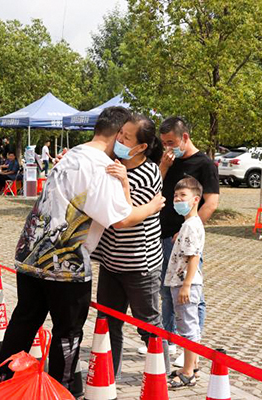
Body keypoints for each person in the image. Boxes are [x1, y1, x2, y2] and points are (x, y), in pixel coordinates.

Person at [0, 107, 165, 393]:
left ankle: (4, 383)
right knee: (68, 332)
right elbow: (121, 219)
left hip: (30, 253)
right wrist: (153, 206)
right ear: (117, 134)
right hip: (65, 264)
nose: (124, 141)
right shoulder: (102, 167)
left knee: (24, 319)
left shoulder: (72, 154)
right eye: (123, 135)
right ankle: (61, 391)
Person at [91, 113, 170, 378]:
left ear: (142, 146)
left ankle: (160, 379)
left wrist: (124, 181)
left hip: (139, 264)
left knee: (149, 326)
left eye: (126, 137)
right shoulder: (112, 162)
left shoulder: (149, 173)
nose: (119, 139)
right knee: (107, 323)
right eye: (120, 133)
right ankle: (106, 380)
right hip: (111, 261)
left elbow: (125, 219)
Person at [156, 117, 219, 366]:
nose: (167, 147)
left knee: (191, 293)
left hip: (185, 240)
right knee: (167, 290)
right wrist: (163, 166)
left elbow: (211, 202)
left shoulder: (204, 164)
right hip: (162, 234)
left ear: (184, 137)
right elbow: (155, 189)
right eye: (164, 143)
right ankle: (170, 339)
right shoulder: (168, 161)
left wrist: (188, 229)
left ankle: (191, 346)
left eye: (171, 142)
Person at [164, 176, 205, 389]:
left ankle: (188, 371)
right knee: (189, 326)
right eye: (175, 195)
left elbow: (193, 256)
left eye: (183, 195)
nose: (178, 199)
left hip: (185, 284)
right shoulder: (189, 224)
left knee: (187, 329)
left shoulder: (190, 225)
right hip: (183, 283)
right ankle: (192, 366)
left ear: (195, 199)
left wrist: (186, 285)